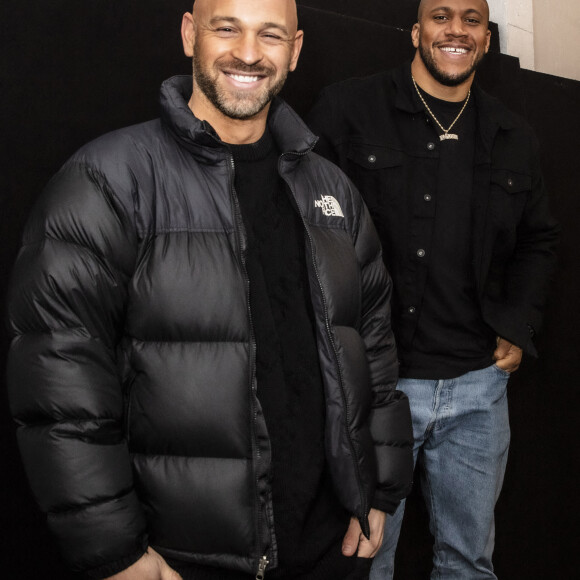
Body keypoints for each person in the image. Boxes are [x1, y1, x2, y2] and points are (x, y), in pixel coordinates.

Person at [6, 1, 414, 579]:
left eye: (269, 35)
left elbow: (373, 349)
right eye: (227, 28)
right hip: (183, 561)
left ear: (295, 50)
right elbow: (59, 376)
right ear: (188, 34)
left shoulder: (334, 192)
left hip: (329, 550)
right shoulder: (108, 178)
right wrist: (114, 550)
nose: (248, 53)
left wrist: (378, 493)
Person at [307, 0, 560, 578]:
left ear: (487, 39)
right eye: (441, 16)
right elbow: (302, 228)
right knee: (366, 563)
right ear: (416, 30)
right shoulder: (348, 109)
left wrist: (518, 324)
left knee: (469, 563)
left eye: (471, 19)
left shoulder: (512, 135)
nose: (456, 30)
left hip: (478, 390)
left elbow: (539, 240)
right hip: (375, 388)